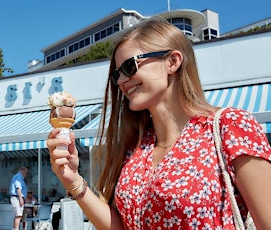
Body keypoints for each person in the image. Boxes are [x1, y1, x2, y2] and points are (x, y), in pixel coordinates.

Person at [47, 18, 271, 229]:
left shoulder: (230, 126)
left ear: (172, 62)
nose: (122, 81)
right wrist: (73, 180)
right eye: (117, 75)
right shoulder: (137, 146)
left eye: (129, 67)